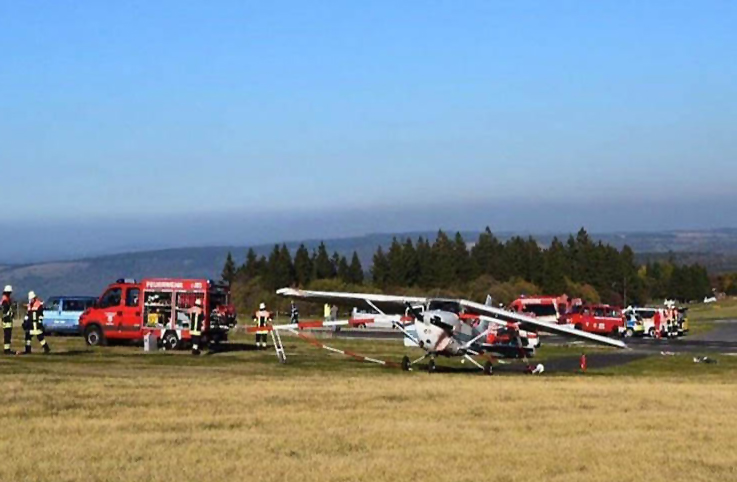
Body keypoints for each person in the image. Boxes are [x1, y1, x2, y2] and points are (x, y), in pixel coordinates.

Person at [2, 285, 16, 355]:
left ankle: (7, 349)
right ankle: (7, 350)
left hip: (7, 320)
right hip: (7, 320)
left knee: (7, 335)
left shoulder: (5, 300)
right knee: (7, 335)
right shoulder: (5, 301)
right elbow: (5, 311)